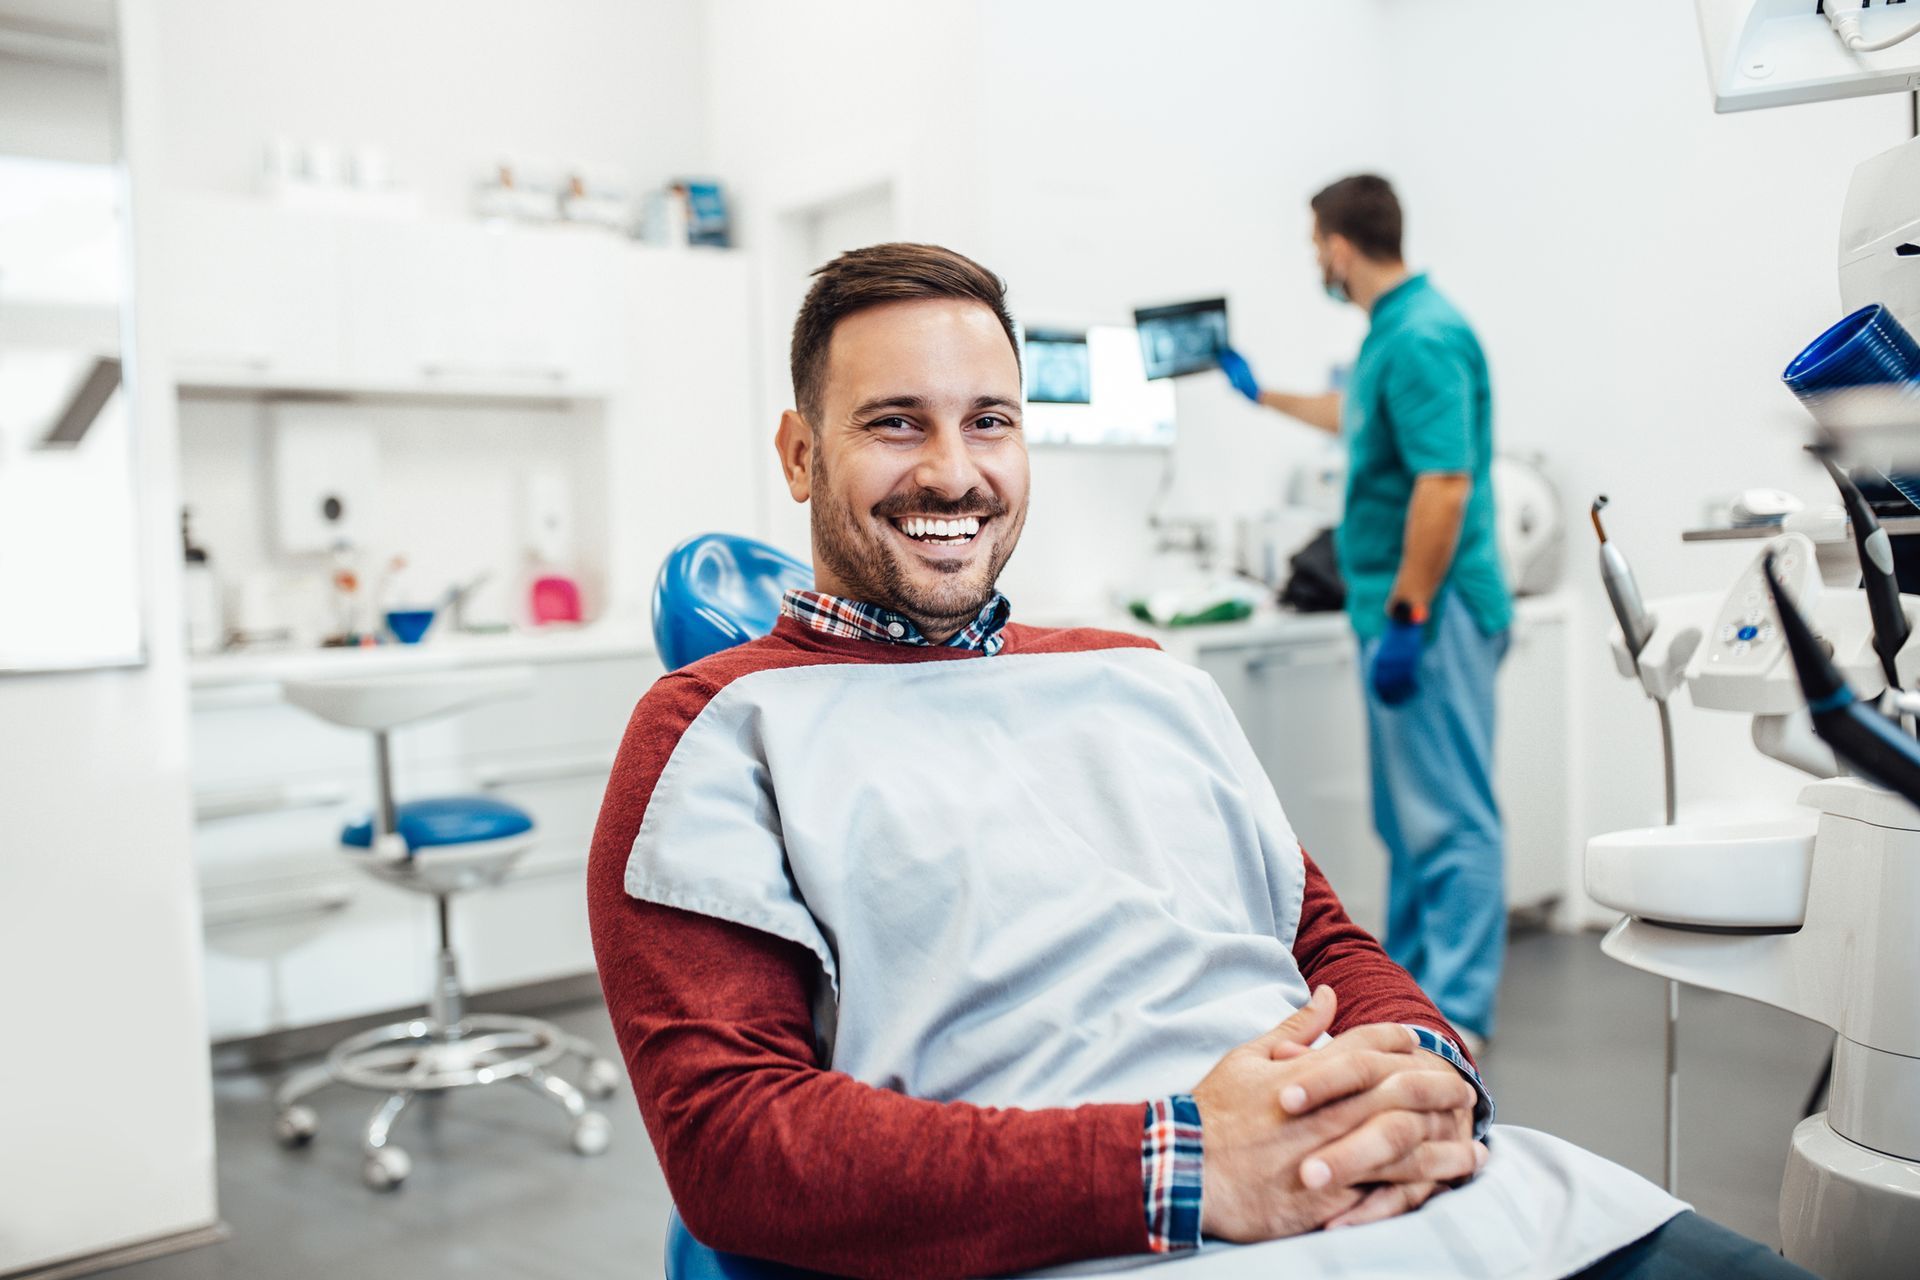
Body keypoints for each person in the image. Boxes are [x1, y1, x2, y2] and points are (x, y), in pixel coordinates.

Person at [587, 243, 1808, 1278]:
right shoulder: (720, 725)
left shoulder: (1144, 674)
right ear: (800, 456)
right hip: (1094, 1234)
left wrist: (1428, 1072)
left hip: (1424, 1192)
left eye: (990, 422)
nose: (953, 472)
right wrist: (1183, 1162)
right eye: (895, 422)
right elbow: (735, 1142)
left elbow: (1321, 937)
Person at [1216, 174, 1511, 1052]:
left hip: (1434, 609)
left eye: (1316, 245)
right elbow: (1356, 416)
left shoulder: (1423, 336)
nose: (1317, 260)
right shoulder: (1394, 333)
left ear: (1340, 246)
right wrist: (1259, 393)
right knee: (1409, 819)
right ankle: (1412, 993)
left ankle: (1457, 1014)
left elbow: (1444, 483)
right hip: (1398, 610)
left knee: (1452, 819)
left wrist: (1413, 613)